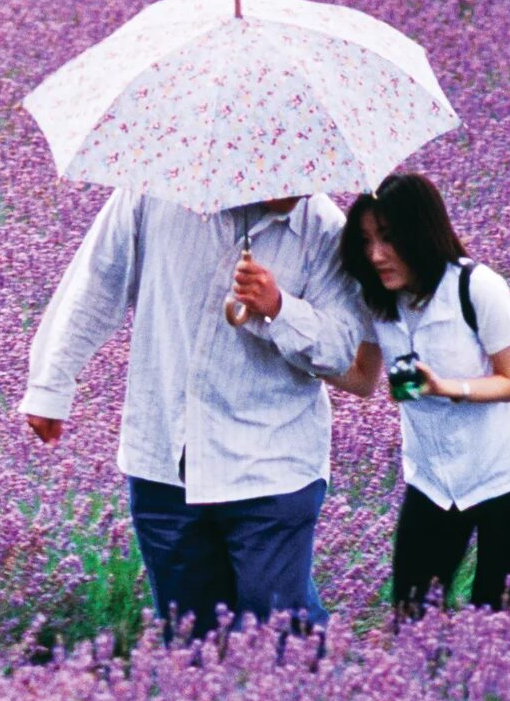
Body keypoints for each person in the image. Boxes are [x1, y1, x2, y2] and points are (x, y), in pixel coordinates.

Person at [20, 188, 364, 641]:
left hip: (274, 465)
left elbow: (345, 351)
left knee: (280, 635)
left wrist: (278, 309)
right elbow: (97, 284)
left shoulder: (323, 230)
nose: (300, 185)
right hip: (164, 456)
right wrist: (51, 385)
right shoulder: (150, 195)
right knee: (188, 642)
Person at [327, 173, 510, 618]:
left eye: (389, 239)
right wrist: (281, 330)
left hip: (506, 472)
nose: (376, 255)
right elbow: (361, 379)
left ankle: (488, 687)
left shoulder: (477, 287)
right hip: (434, 478)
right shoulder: (377, 300)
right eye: (366, 240)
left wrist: (445, 387)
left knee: (495, 615)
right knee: (410, 613)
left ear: (421, 231)